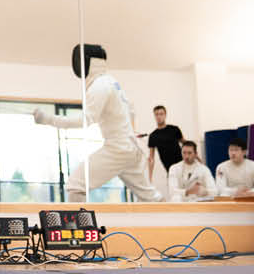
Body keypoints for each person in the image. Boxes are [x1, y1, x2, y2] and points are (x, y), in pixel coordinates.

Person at [34, 44, 162, 202]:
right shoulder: (112, 82)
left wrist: (47, 119)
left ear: (88, 62)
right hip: (131, 147)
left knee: (76, 184)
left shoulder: (99, 86)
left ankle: (78, 227)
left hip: (119, 148)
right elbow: (130, 111)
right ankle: (175, 223)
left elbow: (85, 120)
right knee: (151, 197)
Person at [146, 105, 183, 180]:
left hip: (183, 167)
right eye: (156, 114)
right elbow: (151, 159)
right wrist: (149, 178)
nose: (159, 116)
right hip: (170, 171)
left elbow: (186, 144)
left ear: (165, 115)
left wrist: (198, 161)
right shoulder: (153, 136)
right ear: (154, 116)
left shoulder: (174, 129)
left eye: (161, 114)